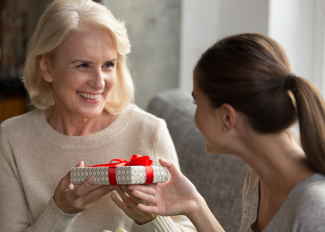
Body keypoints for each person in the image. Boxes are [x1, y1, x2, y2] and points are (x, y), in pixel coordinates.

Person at [0, 0, 196, 231]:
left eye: (108, 65)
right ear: (46, 67)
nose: (99, 82)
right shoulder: (11, 138)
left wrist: (152, 219)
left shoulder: (149, 131)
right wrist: (59, 212)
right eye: (83, 65)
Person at [128, 33, 325, 232]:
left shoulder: (315, 209)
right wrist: (194, 205)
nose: (195, 114)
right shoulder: (258, 176)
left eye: (197, 103)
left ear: (227, 118)